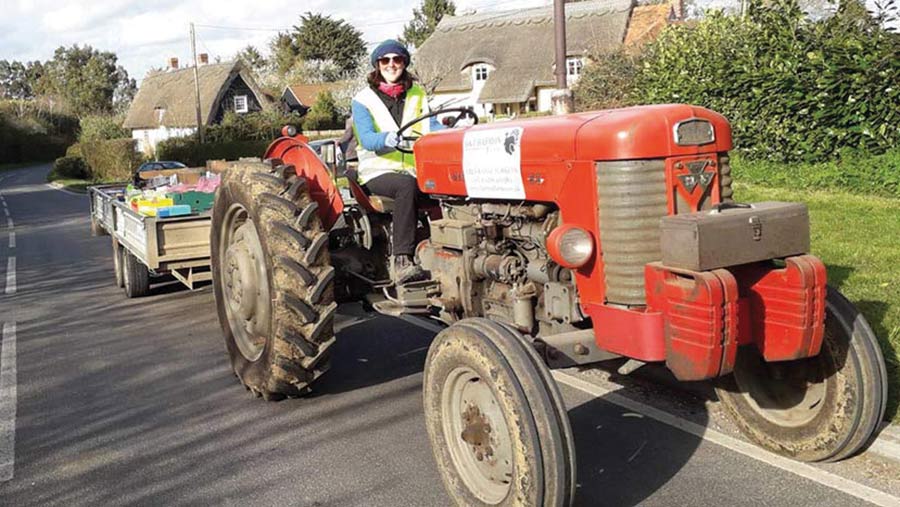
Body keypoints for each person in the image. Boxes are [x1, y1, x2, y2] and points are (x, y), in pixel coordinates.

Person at [351, 39, 441, 285]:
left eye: (397, 59)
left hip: (414, 168)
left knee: (448, 185)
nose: (392, 65)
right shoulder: (363, 100)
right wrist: (385, 139)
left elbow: (429, 126)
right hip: (378, 172)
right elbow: (367, 138)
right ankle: (403, 260)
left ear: (404, 63)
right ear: (377, 65)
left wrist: (449, 129)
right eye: (385, 60)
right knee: (405, 187)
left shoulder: (417, 94)